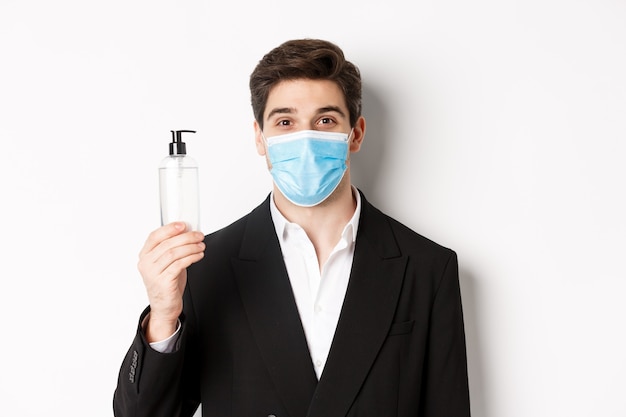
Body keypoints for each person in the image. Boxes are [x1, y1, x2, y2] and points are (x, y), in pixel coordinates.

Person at [113, 38, 471, 417]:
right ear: (260, 138)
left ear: (356, 134)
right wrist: (164, 316)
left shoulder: (427, 269)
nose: (305, 138)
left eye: (325, 120)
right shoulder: (204, 266)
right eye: (285, 122)